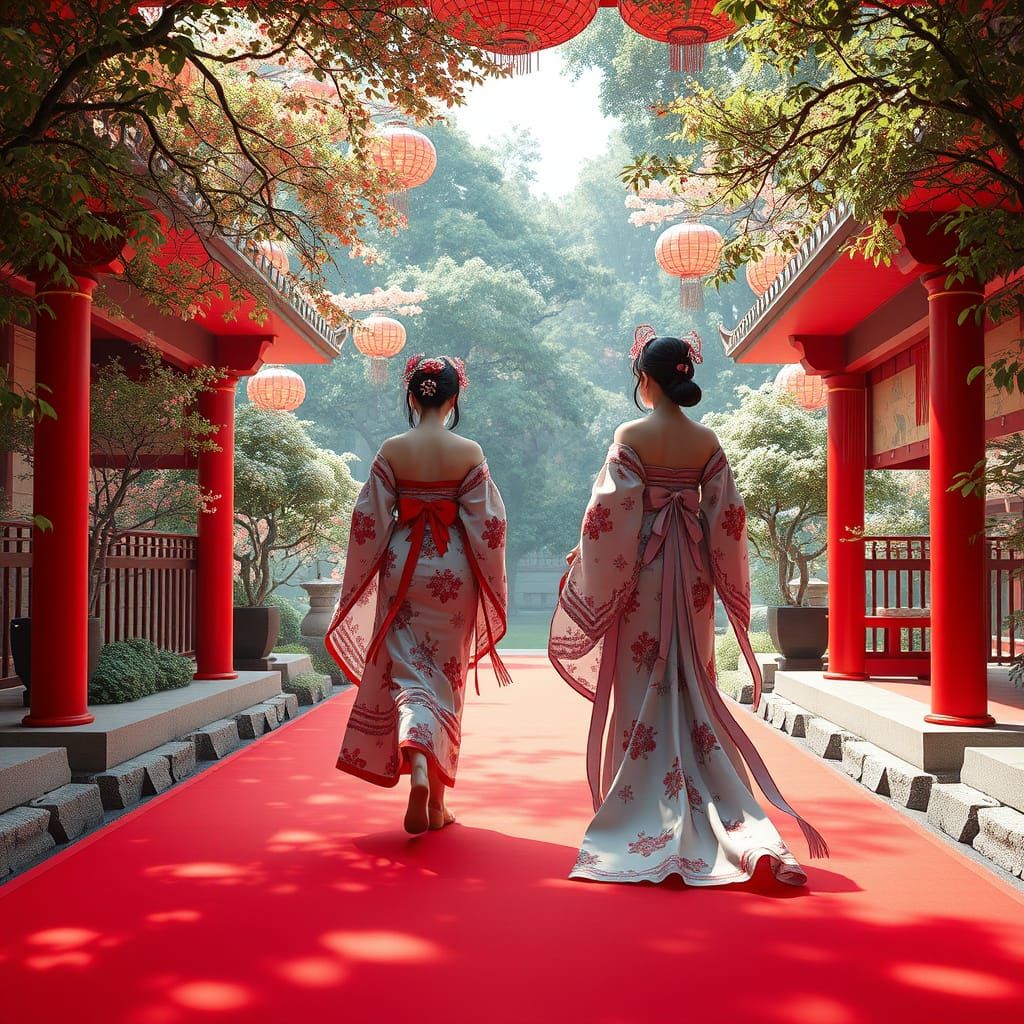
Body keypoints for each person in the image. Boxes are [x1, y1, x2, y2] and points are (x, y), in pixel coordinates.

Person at [548, 327, 826, 885]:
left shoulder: (631, 434)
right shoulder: (706, 441)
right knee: (693, 678)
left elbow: (608, 516)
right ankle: (733, 820)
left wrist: (587, 557)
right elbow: (729, 518)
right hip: (693, 573)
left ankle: (643, 807)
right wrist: (720, 572)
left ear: (644, 379)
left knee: (640, 680)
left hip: (643, 575)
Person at [327, 355, 510, 834]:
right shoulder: (469, 451)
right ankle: (437, 801)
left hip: (402, 567)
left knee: (407, 669)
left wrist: (362, 576)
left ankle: (421, 769)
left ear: (411, 397)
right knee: (446, 679)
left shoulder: (393, 448)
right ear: (453, 399)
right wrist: (490, 581)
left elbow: (367, 521)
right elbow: (490, 526)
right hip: (453, 572)